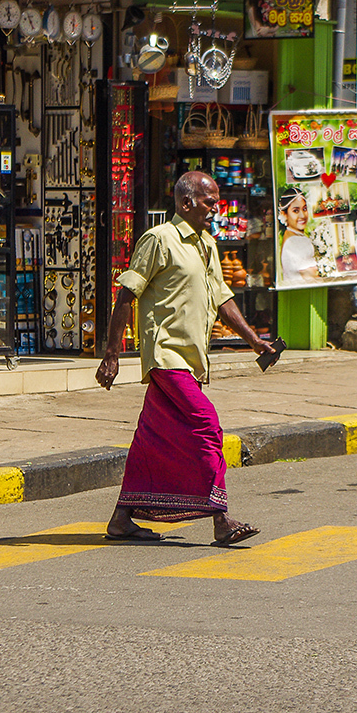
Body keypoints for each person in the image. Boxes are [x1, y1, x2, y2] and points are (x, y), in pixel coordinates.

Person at [96, 171, 272, 546]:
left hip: (191, 361)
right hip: (165, 356)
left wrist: (254, 340)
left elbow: (223, 300)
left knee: (151, 439)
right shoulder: (159, 240)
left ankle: (121, 518)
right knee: (207, 427)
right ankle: (221, 519)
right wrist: (112, 354)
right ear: (186, 202)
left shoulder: (206, 243)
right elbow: (127, 295)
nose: (215, 208)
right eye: (210, 201)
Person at [277, 186, 318, 283]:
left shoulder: (293, 235)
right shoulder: (294, 241)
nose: (302, 216)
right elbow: (310, 276)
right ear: (284, 214)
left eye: (304, 209)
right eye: (296, 211)